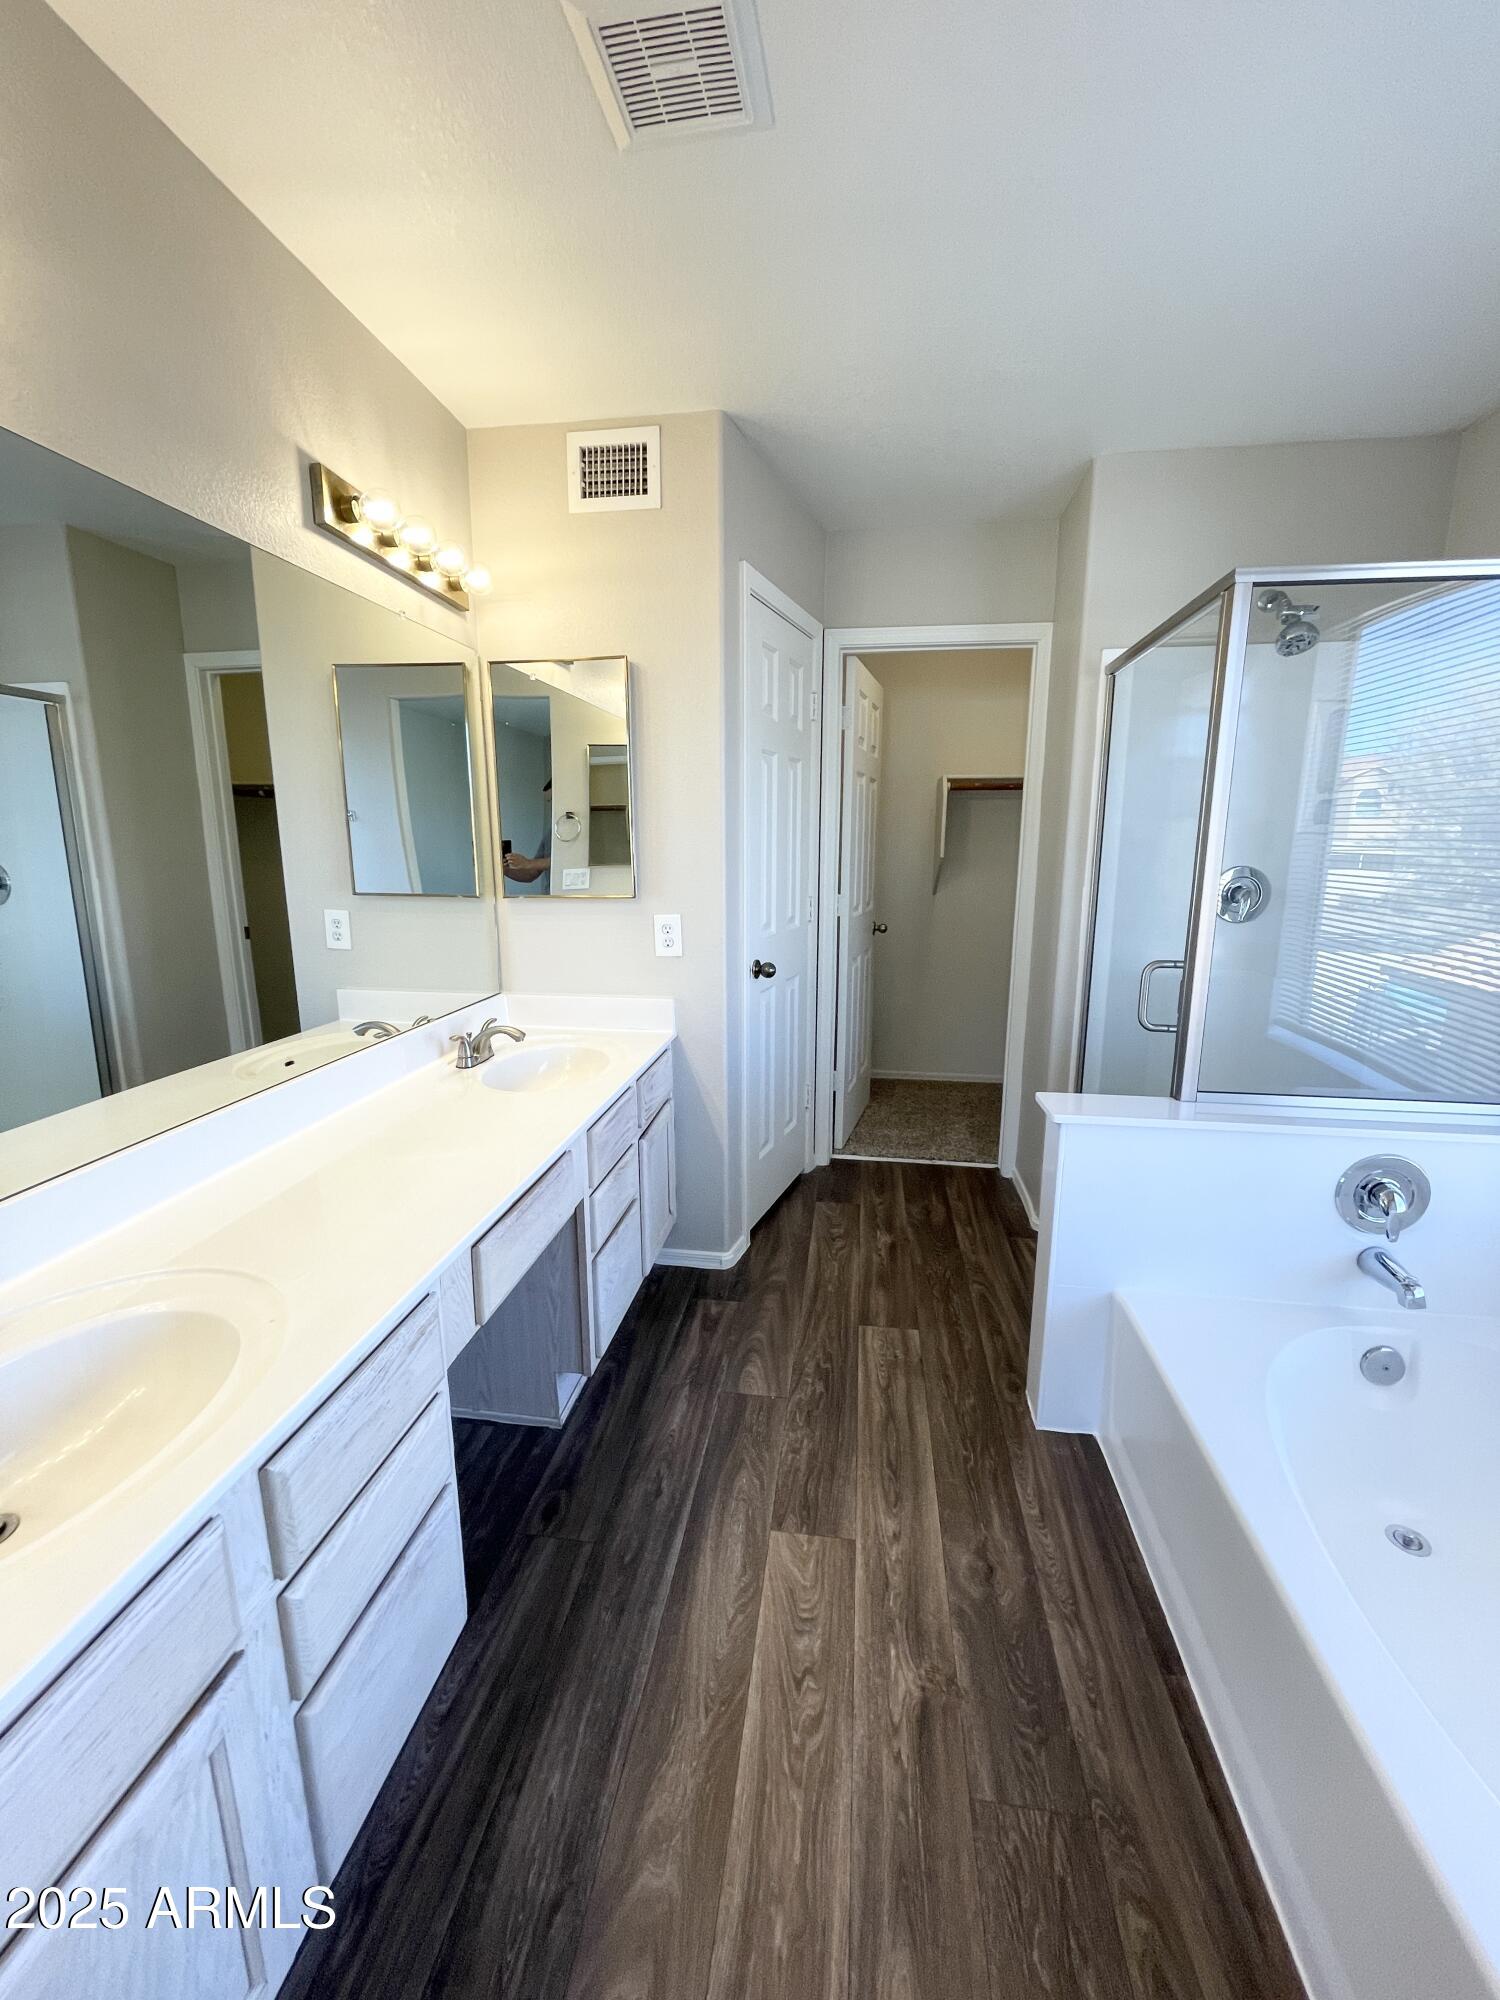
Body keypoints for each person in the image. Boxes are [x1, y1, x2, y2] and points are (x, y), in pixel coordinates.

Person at [503, 777, 553, 885]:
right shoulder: (550, 834)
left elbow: (569, 863)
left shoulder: (581, 833)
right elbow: (531, 874)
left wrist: (528, 863)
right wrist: (504, 870)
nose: (552, 807)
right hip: (551, 899)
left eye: (553, 801)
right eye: (549, 802)